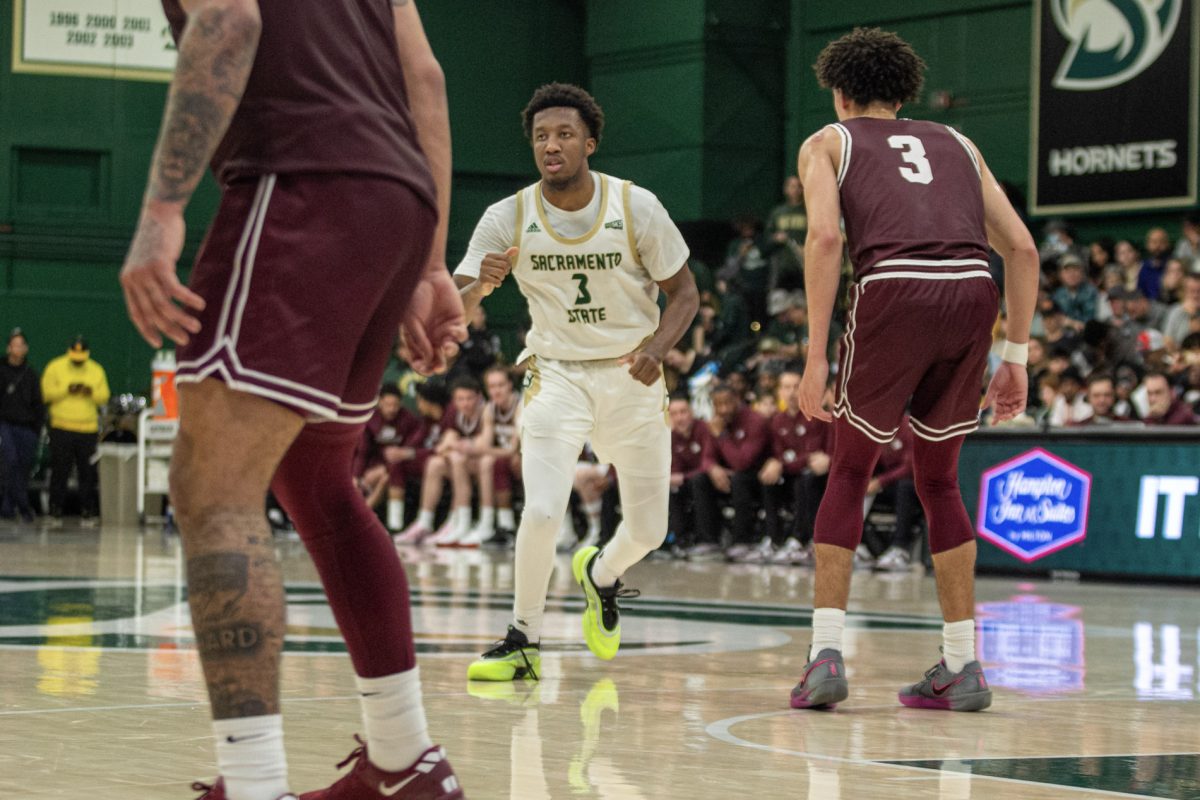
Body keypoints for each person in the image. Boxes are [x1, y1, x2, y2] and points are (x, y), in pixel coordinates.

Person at [118, 1, 466, 798]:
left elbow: (231, 18)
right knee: (315, 482)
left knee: (213, 489)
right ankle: (404, 758)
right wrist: (429, 260)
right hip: (400, 199)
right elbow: (427, 79)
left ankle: (252, 783)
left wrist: (161, 210)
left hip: (302, 181)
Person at [789, 27, 1037, 713]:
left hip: (893, 287)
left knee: (848, 468)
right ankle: (963, 665)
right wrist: (1013, 356)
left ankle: (825, 654)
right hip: (972, 290)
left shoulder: (826, 143)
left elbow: (828, 238)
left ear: (839, 92)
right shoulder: (959, 143)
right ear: (903, 94)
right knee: (938, 478)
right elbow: (1019, 247)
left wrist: (814, 360)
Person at [453, 82, 699, 680]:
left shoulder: (635, 206)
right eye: (540, 136)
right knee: (540, 510)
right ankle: (522, 641)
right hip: (556, 376)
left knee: (649, 530)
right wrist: (480, 286)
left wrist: (658, 348)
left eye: (564, 134)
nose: (551, 145)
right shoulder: (505, 216)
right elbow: (453, 313)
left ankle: (602, 574)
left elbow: (686, 293)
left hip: (630, 375)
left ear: (589, 142)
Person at [759, 368, 828, 566]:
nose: (791, 392)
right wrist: (777, 463)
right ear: (779, 392)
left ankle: (800, 540)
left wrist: (782, 462)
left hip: (814, 477)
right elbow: (779, 453)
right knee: (768, 477)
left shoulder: (816, 416)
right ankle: (773, 539)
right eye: (786, 387)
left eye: (796, 387)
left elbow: (813, 456)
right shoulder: (776, 421)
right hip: (790, 475)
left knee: (805, 478)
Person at [41, 336, 109, 528]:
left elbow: (103, 396)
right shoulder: (56, 366)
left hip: (87, 429)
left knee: (87, 472)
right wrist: (67, 389)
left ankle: (88, 511)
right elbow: (45, 393)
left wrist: (90, 392)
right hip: (61, 427)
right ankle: (55, 511)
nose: (78, 359)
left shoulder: (96, 369)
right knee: (60, 471)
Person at [0, 329, 43, 522]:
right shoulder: (1, 370)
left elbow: (38, 404)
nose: (18, 349)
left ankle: (10, 506)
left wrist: (36, 428)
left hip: (26, 428)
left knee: (23, 466)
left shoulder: (31, 374)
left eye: (21, 345)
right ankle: (21, 505)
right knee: (10, 460)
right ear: (9, 348)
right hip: (5, 424)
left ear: (25, 349)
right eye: (14, 345)